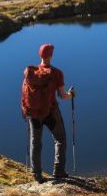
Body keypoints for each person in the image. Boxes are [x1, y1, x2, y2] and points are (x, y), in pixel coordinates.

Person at [21, 43, 75, 183]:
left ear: (40, 55)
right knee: (60, 139)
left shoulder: (30, 73)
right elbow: (63, 96)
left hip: (33, 114)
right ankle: (58, 171)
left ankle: (37, 174)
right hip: (50, 113)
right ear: (51, 55)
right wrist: (71, 94)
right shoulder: (56, 73)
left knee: (35, 143)